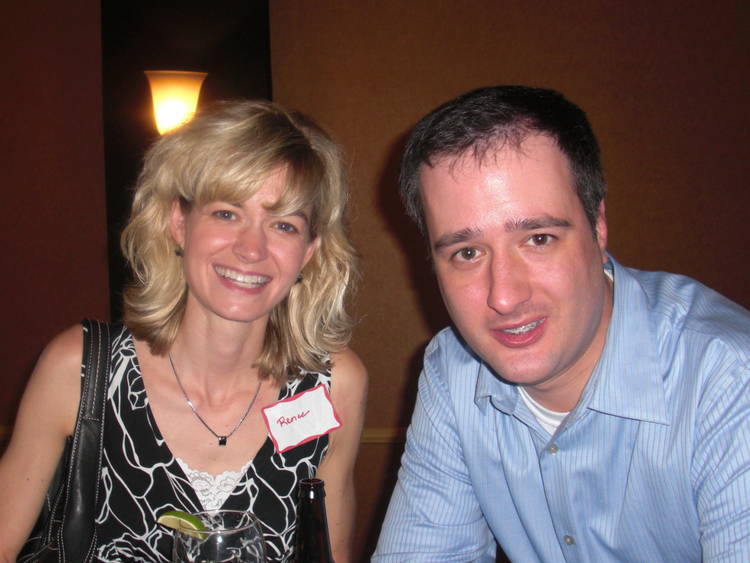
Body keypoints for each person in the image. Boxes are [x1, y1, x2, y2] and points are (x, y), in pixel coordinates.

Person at [373, 85, 750, 561]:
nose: (504, 297)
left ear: (597, 225)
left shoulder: (729, 380)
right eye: (467, 253)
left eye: (539, 239)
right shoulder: (454, 370)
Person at [0, 100, 367, 562]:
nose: (252, 248)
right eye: (227, 214)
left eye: (283, 225)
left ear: (308, 251)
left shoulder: (334, 386)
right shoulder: (80, 369)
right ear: (179, 223)